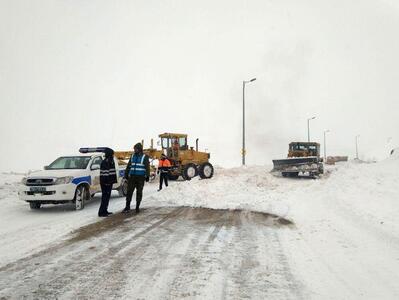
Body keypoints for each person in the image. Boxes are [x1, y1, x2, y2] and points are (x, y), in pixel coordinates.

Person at [123, 143, 150, 213]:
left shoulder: (144, 157)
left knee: (139, 192)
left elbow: (147, 167)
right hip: (132, 177)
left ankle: (137, 207)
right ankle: (127, 206)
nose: (134, 150)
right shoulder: (132, 156)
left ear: (139, 149)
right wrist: (126, 174)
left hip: (140, 178)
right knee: (129, 192)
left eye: (136, 149)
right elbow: (128, 166)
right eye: (134, 149)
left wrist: (147, 176)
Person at [98, 148, 117, 217]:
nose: (113, 155)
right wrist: (106, 182)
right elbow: (105, 173)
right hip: (105, 182)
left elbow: (112, 172)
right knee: (105, 197)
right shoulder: (105, 162)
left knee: (107, 197)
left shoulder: (111, 161)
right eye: (112, 154)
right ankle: (101, 212)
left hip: (109, 182)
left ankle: (105, 210)